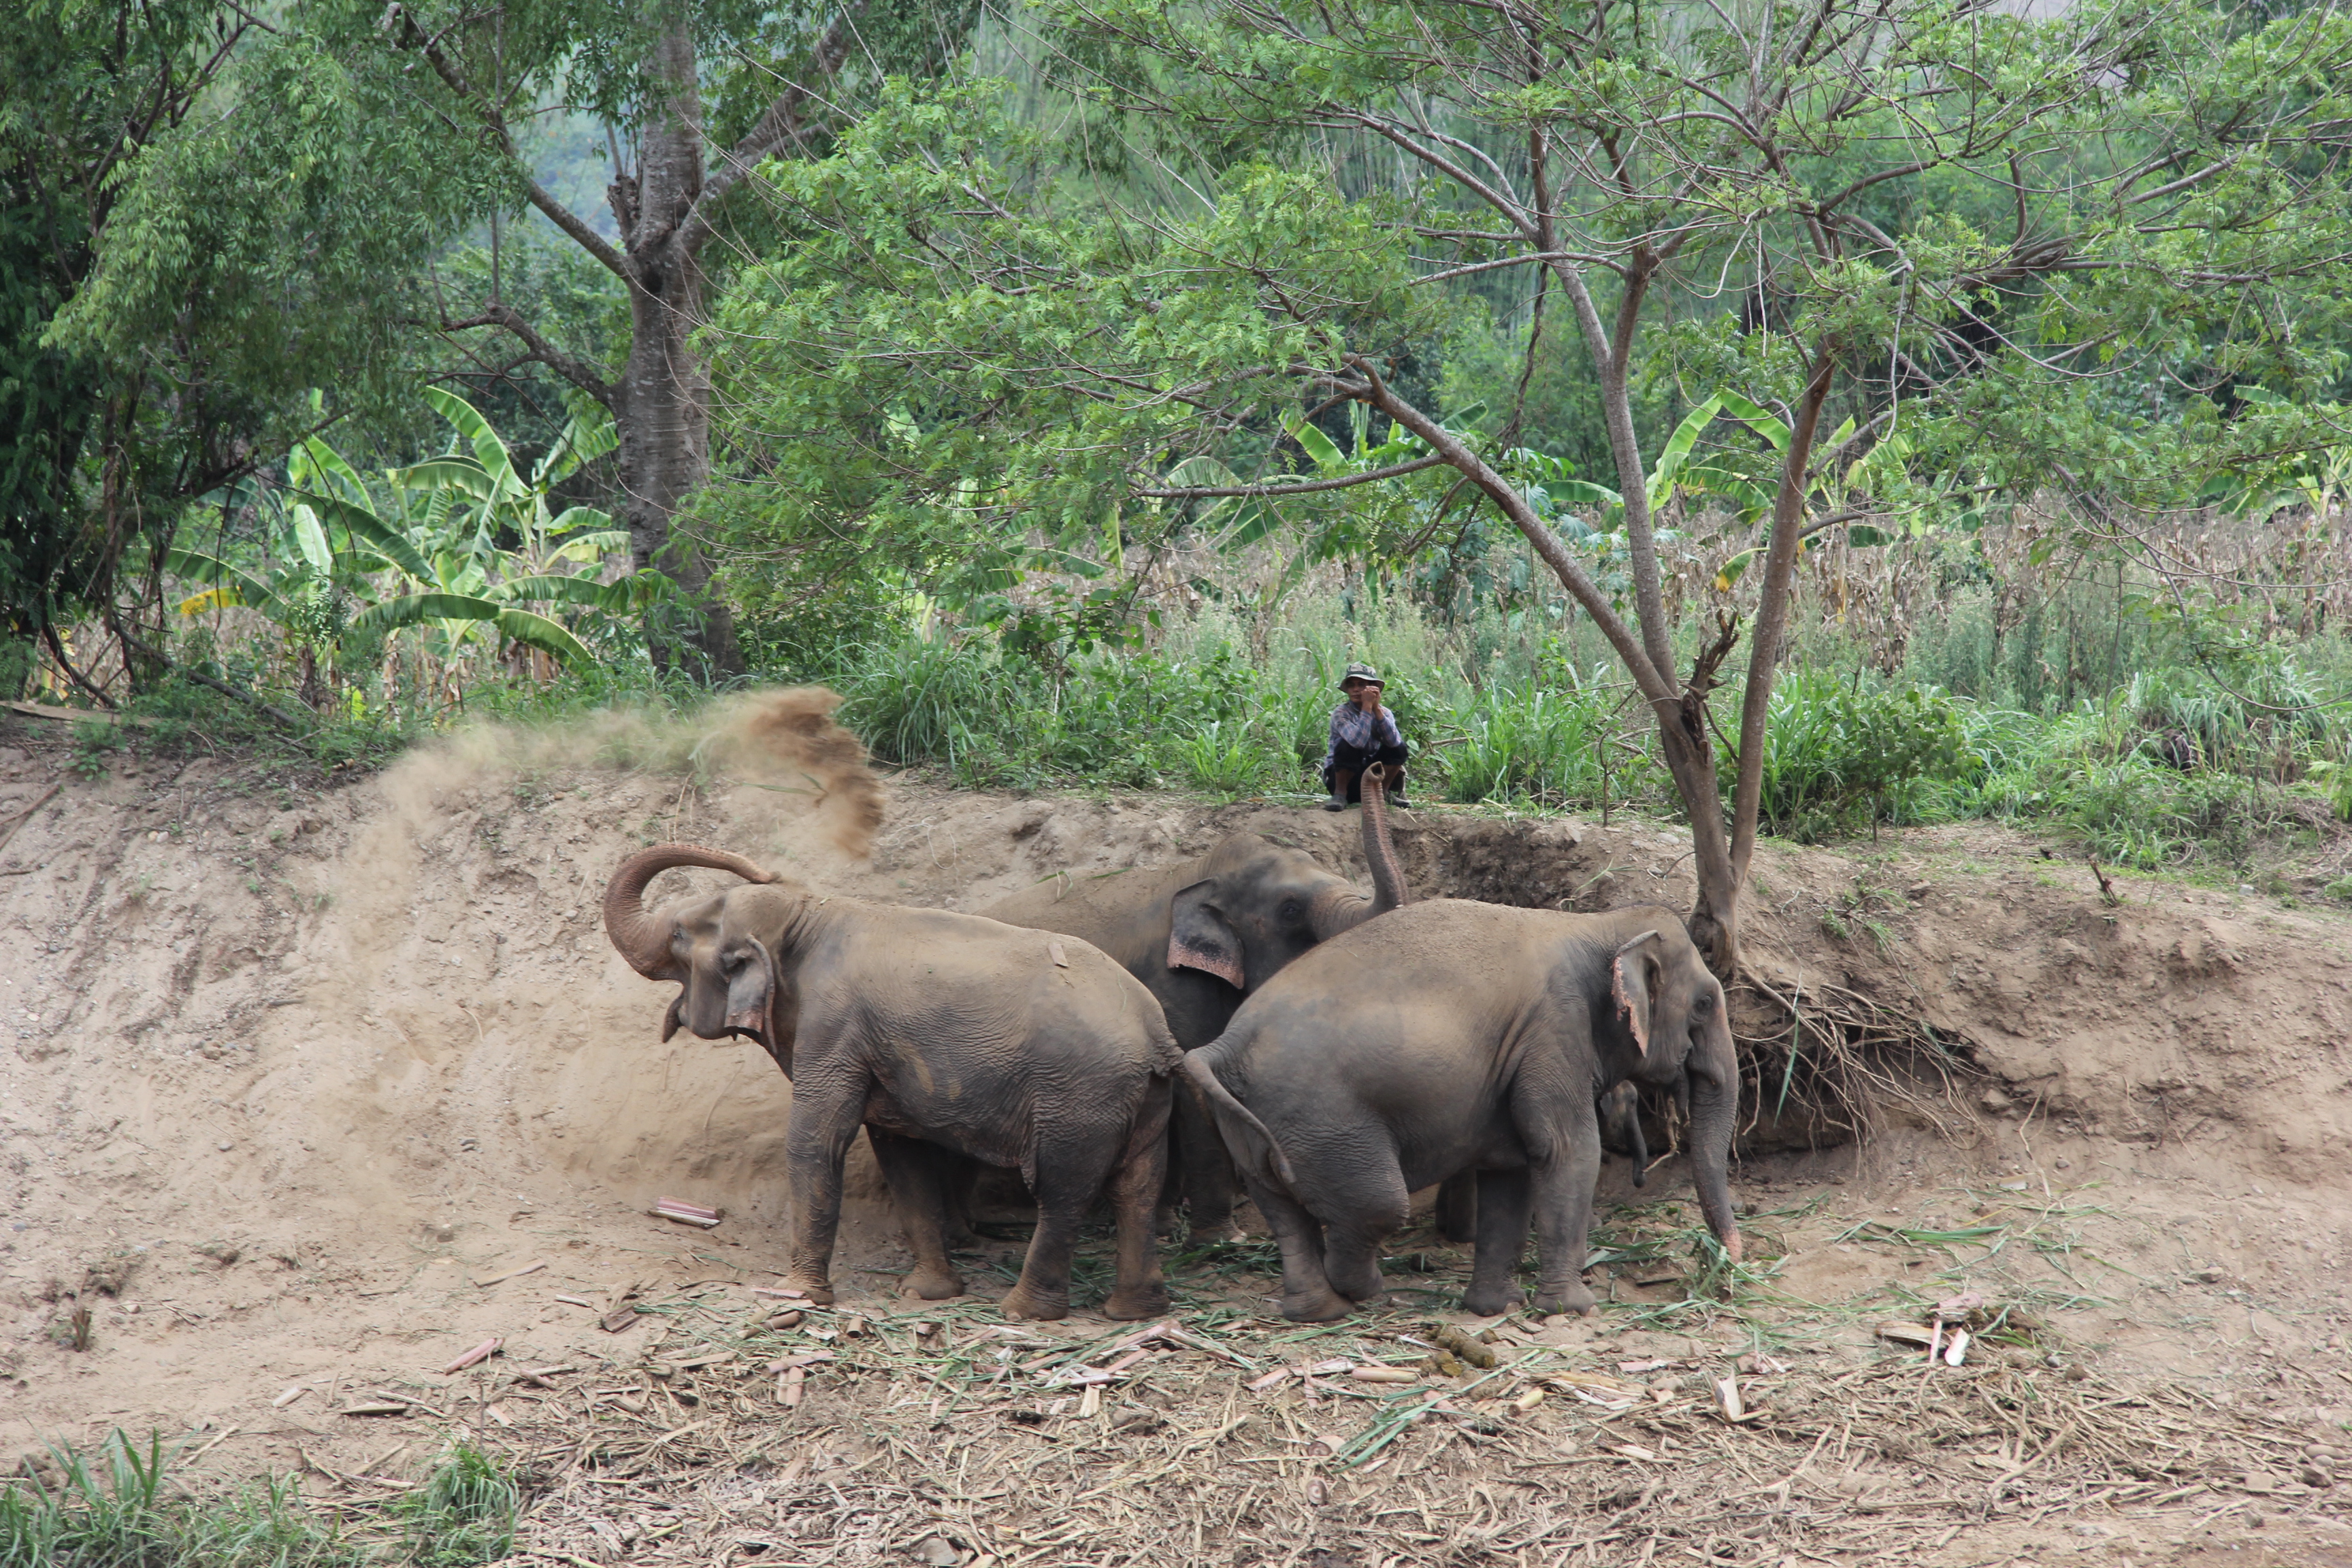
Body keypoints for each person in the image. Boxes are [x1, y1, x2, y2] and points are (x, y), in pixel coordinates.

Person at [1321, 663, 1409, 811]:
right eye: (1351, 685)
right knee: (1347, 745)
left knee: (1400, 748)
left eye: (1361, 685)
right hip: (1342, 780)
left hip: (1371, 778)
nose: (1356, 689)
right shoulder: (1341, 713)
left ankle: (1383, 793)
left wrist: (1376, 709)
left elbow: (1394, 742)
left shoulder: (1385, 712)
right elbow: (1358, 742)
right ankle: (1340, 795)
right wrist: (1367, 708)